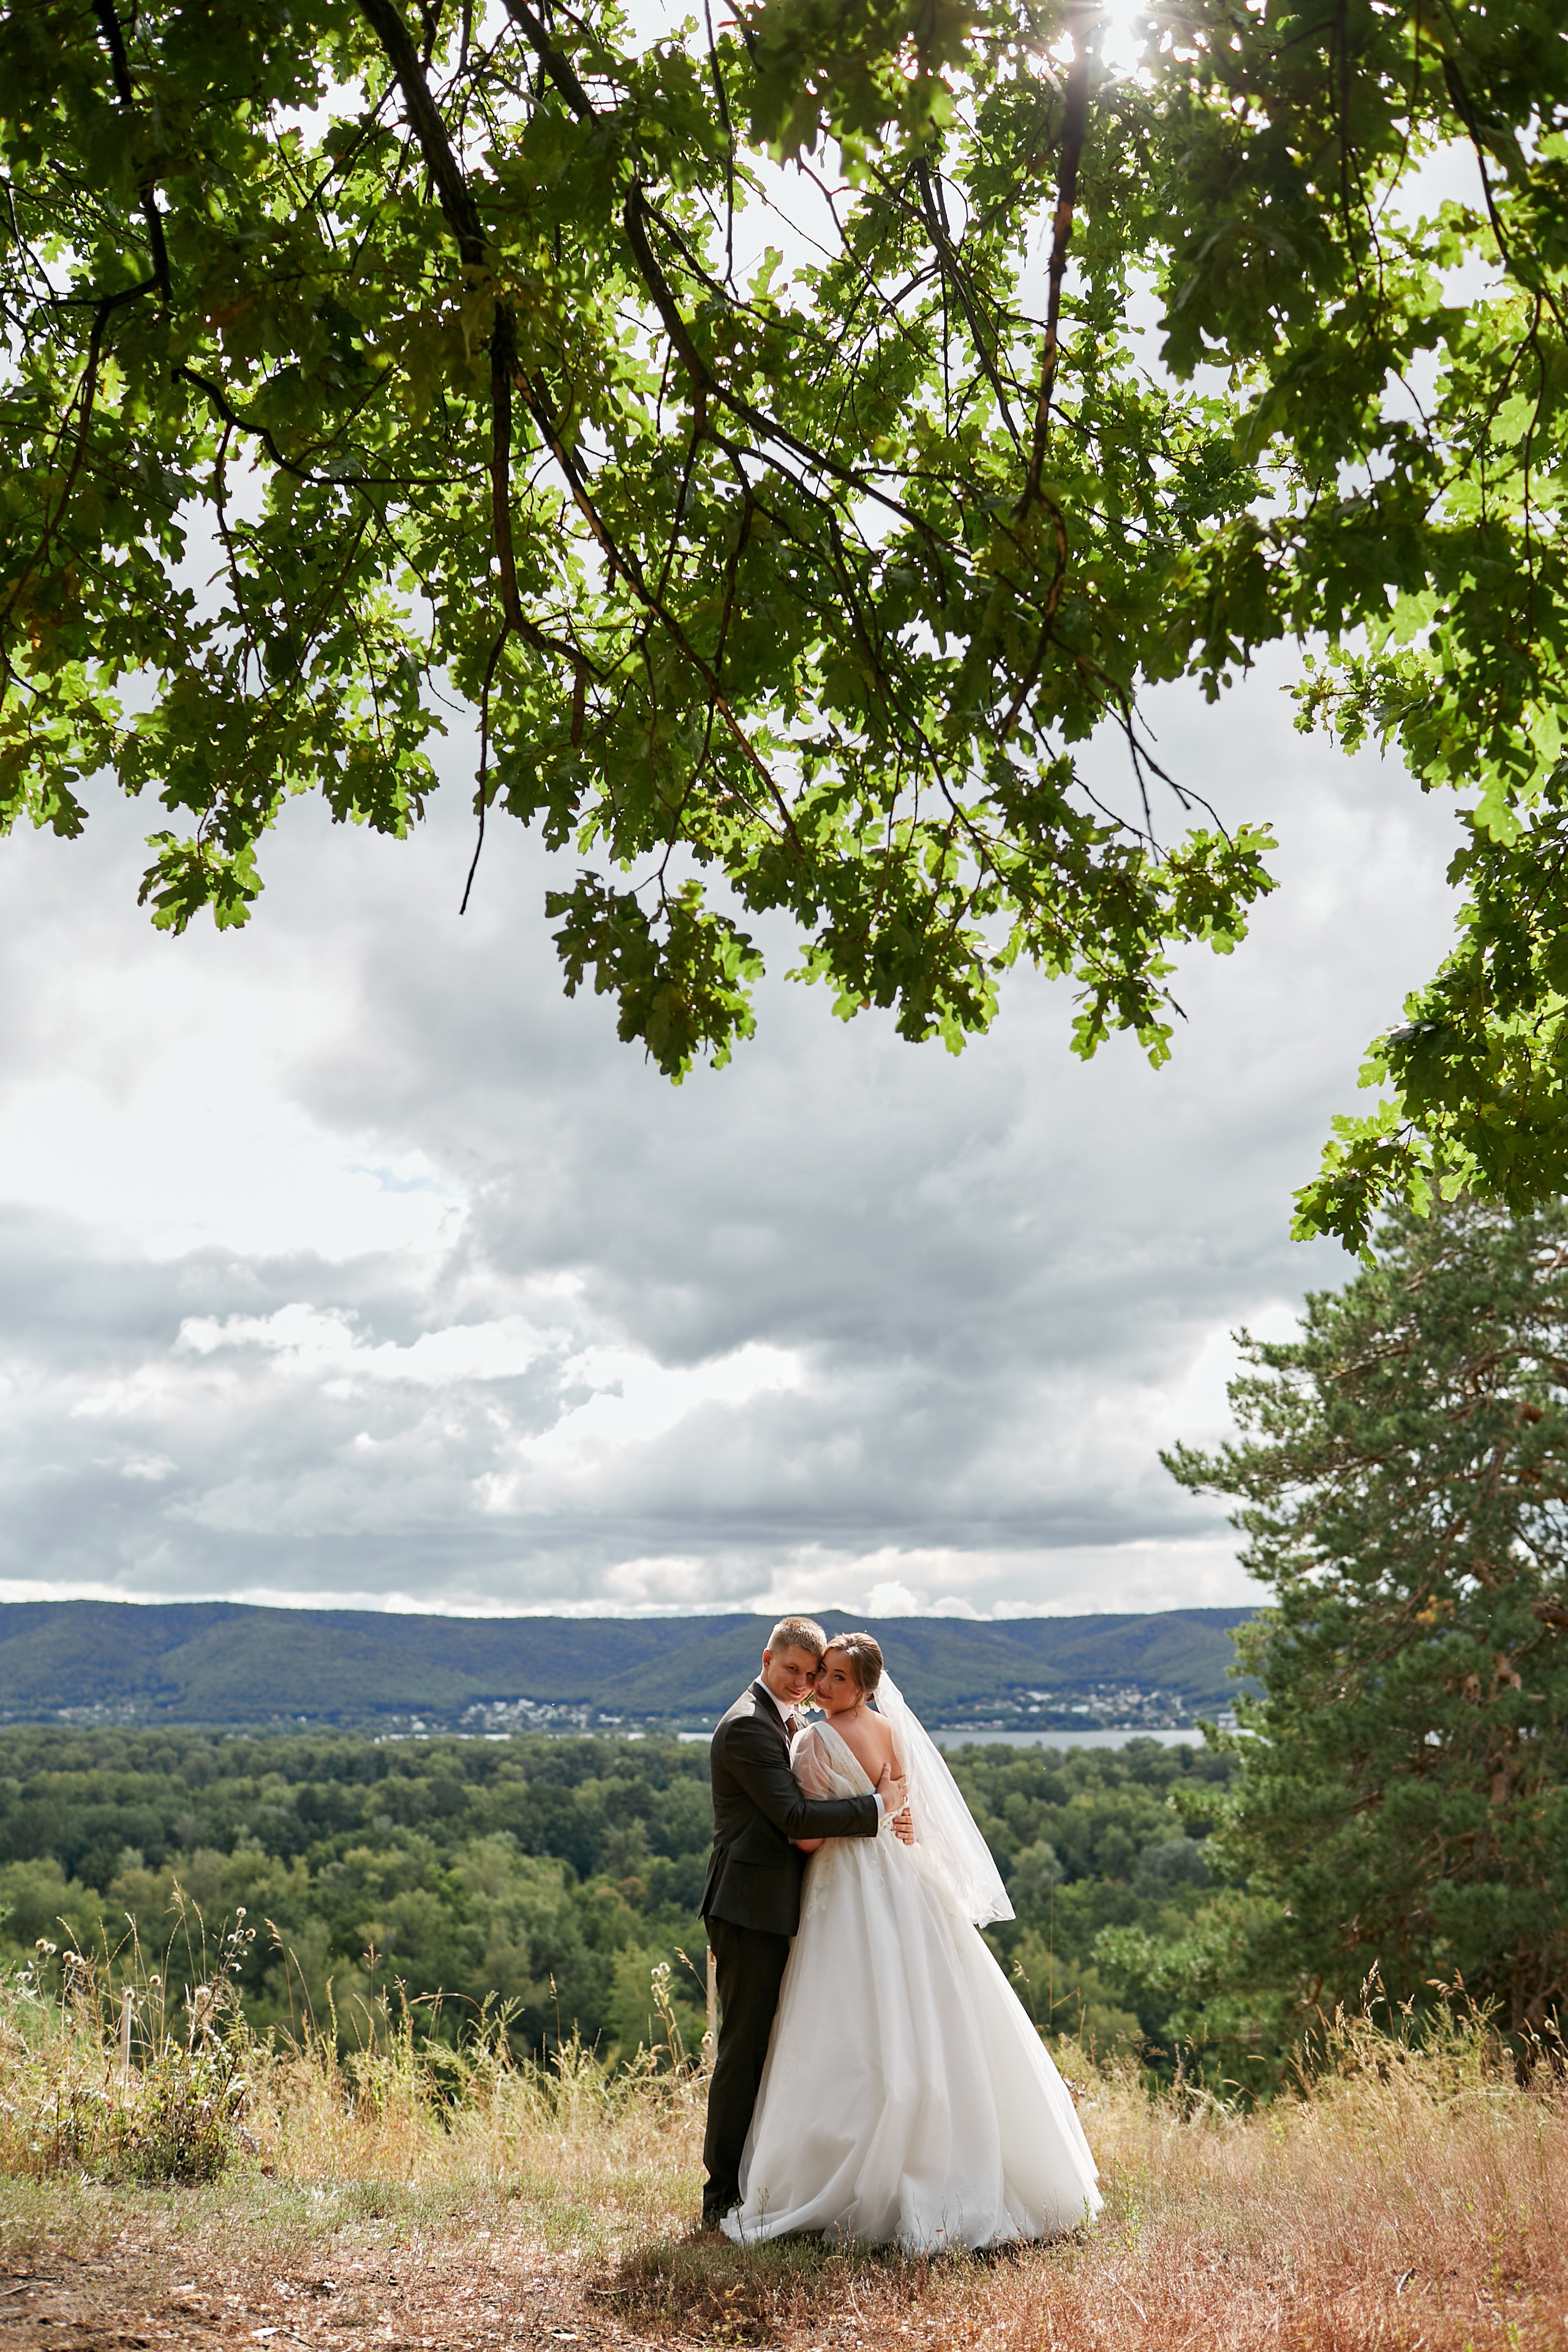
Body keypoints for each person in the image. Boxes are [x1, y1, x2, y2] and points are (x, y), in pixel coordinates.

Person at [721, 1630, 1102, 2251]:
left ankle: (838, 2176)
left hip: (843, 1889)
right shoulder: (892, 1731)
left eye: (834, 1677)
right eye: (821, 1674)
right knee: (926, 2007)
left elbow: (807, 1839)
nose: (820, 1685)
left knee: (845, 2016)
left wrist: (855, 1814)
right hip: (903, 1882)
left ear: (864, 1687)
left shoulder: (815, 1738)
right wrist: (877, 1806)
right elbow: (902, 1819)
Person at [699, 1615, 910, 2231]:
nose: (802, 1683)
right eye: (792, 1669)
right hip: (750, 1909)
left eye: (812, 1674)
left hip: (798, 1904)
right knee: (744, 2050)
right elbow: (794, 1818)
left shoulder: (792, 1722)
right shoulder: (745, 1727)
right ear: (767, 1659)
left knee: (789, 2042)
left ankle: (768, 2175)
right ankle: (720, 2196)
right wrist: (878, 1808)